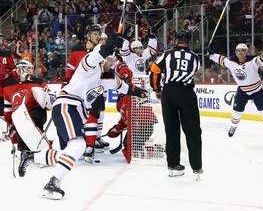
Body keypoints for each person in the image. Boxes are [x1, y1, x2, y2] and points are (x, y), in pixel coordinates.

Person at [18, 33, 148, 200]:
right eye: (110, 60)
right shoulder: (88, 66)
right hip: (67, 105)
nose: (112, 63)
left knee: (71, 151)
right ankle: (53, 182)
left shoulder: (105, 80)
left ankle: (33, 157)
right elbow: (96, 54)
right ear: (103, 60)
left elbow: (126, 88)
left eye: (113, 61)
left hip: (75, 111)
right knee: (78, 144)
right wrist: (108, 44)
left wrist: (143, 94)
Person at [149, 30, 203, 178]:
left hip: (169, 92)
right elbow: (196, 72)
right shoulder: (195, 57)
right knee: (193, 130)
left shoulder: (167, 55)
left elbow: (154, 70)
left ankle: (173, 165)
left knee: (172, 130)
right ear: (189, 41)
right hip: (186, 93)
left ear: (176, 40)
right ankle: (197, 166)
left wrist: (157, 89)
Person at [204, 43, 263, 143]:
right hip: (243, 90)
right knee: (236, 113)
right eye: (238, 50)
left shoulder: (253, 60)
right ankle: (233, 126)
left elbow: (261, 60)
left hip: (257, 90)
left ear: (246, 52)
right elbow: (221, 59)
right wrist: (210, 54)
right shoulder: (231, 61)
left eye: (243, 50)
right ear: (236, 52)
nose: (240, 52)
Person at [62, 24, 110, 161]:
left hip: (95, 87)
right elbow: (70, 68)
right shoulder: (77, 49)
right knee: (85, 116)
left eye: (98, 34)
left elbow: (105, 68)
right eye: (95, 34)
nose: (98, 36)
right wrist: (66, 81)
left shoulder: (99, 50)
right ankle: (86, 142)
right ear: (88, 36)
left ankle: (95, 139)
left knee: (99, 113)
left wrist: (107, 64)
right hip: (80, 89)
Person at [107, 61, 158, 161]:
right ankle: (150, 149)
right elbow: (124, 118)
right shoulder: (120, 101)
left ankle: (150, 150)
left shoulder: (134, 91)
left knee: (129, 147)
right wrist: (116, 129)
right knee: (127, 145)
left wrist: (124, 73)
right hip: (134, 127)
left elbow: (127, 73)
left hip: (144, 126)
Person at [3, 59, 55, 152]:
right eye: (26, 69)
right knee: (23, 144)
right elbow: (8, 108)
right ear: (19, 70)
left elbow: (52, 99)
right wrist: (8, 124)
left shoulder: (38, 82)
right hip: (19, 119)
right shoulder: (8, 86)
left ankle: (43, 150)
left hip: (35, 114)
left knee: (34, 117)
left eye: (30, 69)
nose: (30, 71)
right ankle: (27, 152)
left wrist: (45, 99)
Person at [0, 32, 17, 119]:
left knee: (5, 118)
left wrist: (8, 74)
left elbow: (15, 70)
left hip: (5, 92)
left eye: (1, 38)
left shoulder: (8, 54)